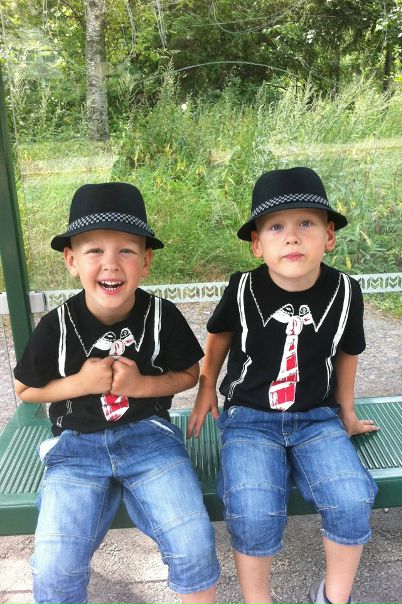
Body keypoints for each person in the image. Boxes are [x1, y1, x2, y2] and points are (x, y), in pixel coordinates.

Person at [14, 182, 220, 604]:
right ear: (71, 260)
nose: (111, 263)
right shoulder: (56, 325)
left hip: (149, 439)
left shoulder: (162, 316)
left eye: (126, 250)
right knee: (54, 566)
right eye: (94, 250)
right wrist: (81, 384)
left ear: (146, 262)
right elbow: (25, 389)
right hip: (76, 448)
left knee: (193, 541)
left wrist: (143, 386)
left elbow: (188, 373)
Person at [188, 167, 380, 604]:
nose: (292, 237)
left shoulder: (345, 291)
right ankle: (258, 599)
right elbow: (218, 337)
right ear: (257, 244)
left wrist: (347, 413)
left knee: (351, 499)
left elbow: (348, 353)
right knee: (253, 508)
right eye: (276, 227)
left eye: (306, 223)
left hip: (317, 418)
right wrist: (206, 387)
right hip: (250, 418)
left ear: (329, 236)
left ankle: (333, 596)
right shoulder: (242, 289)